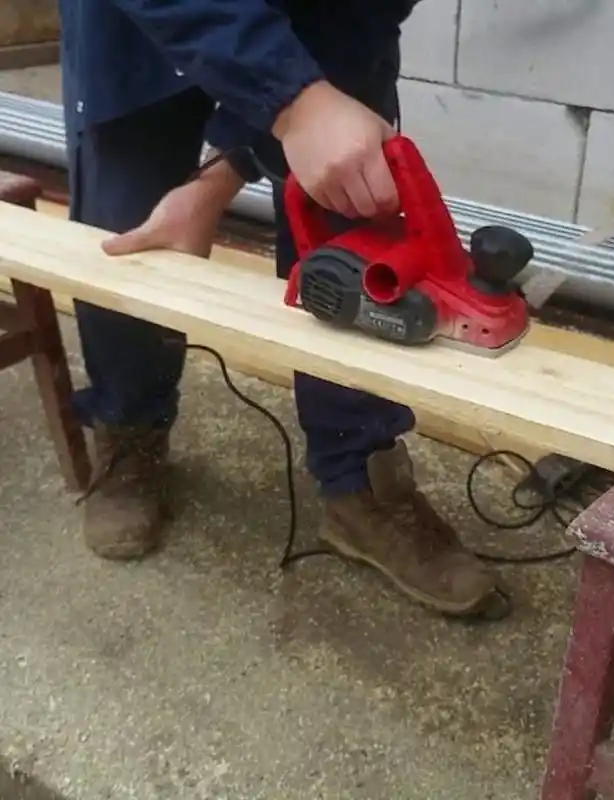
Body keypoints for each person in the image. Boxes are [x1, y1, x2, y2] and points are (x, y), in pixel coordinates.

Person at [59, 0, 501, 616]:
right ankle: (129, 428)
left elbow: (363, 15)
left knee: (355, 228)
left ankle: (361, 479)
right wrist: (296, 104)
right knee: (128, 231)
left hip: (322, 21)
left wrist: (238, 160)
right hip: (136, 29)